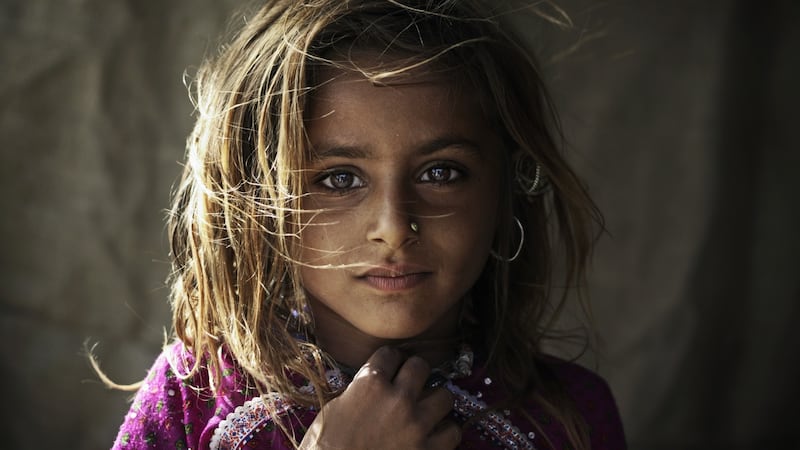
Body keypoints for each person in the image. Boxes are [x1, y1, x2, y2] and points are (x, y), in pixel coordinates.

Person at [109, 0, 626, 448]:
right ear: (259, 197)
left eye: (440, 173)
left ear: (506, 188)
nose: (395, 227)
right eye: (339, 179)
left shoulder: (570, 415)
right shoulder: (194, 394)